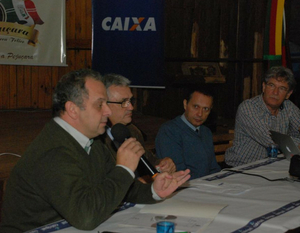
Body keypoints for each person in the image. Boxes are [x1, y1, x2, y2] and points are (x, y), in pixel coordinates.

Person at [0, 69, 190, 233]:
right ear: (73, 110)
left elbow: (121, 189)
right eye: (100, 104)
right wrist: (123, 168)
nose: (107, 111)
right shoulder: (53, 152)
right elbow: (86, 217)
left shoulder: (92, 142)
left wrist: (154, 190)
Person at [225, 66, 300, 167]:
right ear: (264, 87)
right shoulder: (248, 108)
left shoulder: (288, 107)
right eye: (271, 85)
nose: (275, 92)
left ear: (288, 94)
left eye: (282, 88)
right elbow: (274, 141)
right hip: (241, 169)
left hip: (273, 167)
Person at [102, 73, 176, 177]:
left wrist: (163, 164)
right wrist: (139, 184)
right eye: (124, 102)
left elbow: (148, 160)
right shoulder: (96, 138)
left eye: (131, 101)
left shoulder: (131, 130)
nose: (131, 107)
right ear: (104, 104)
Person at [155, 87, 221, 180]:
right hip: (183, 187)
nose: (200, 114)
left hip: (207, 186)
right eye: (196, 107)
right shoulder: (169, 131)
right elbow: (178, 174)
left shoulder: (206, 132)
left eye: (206, 109)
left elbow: (213, 168)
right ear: (185, 104)